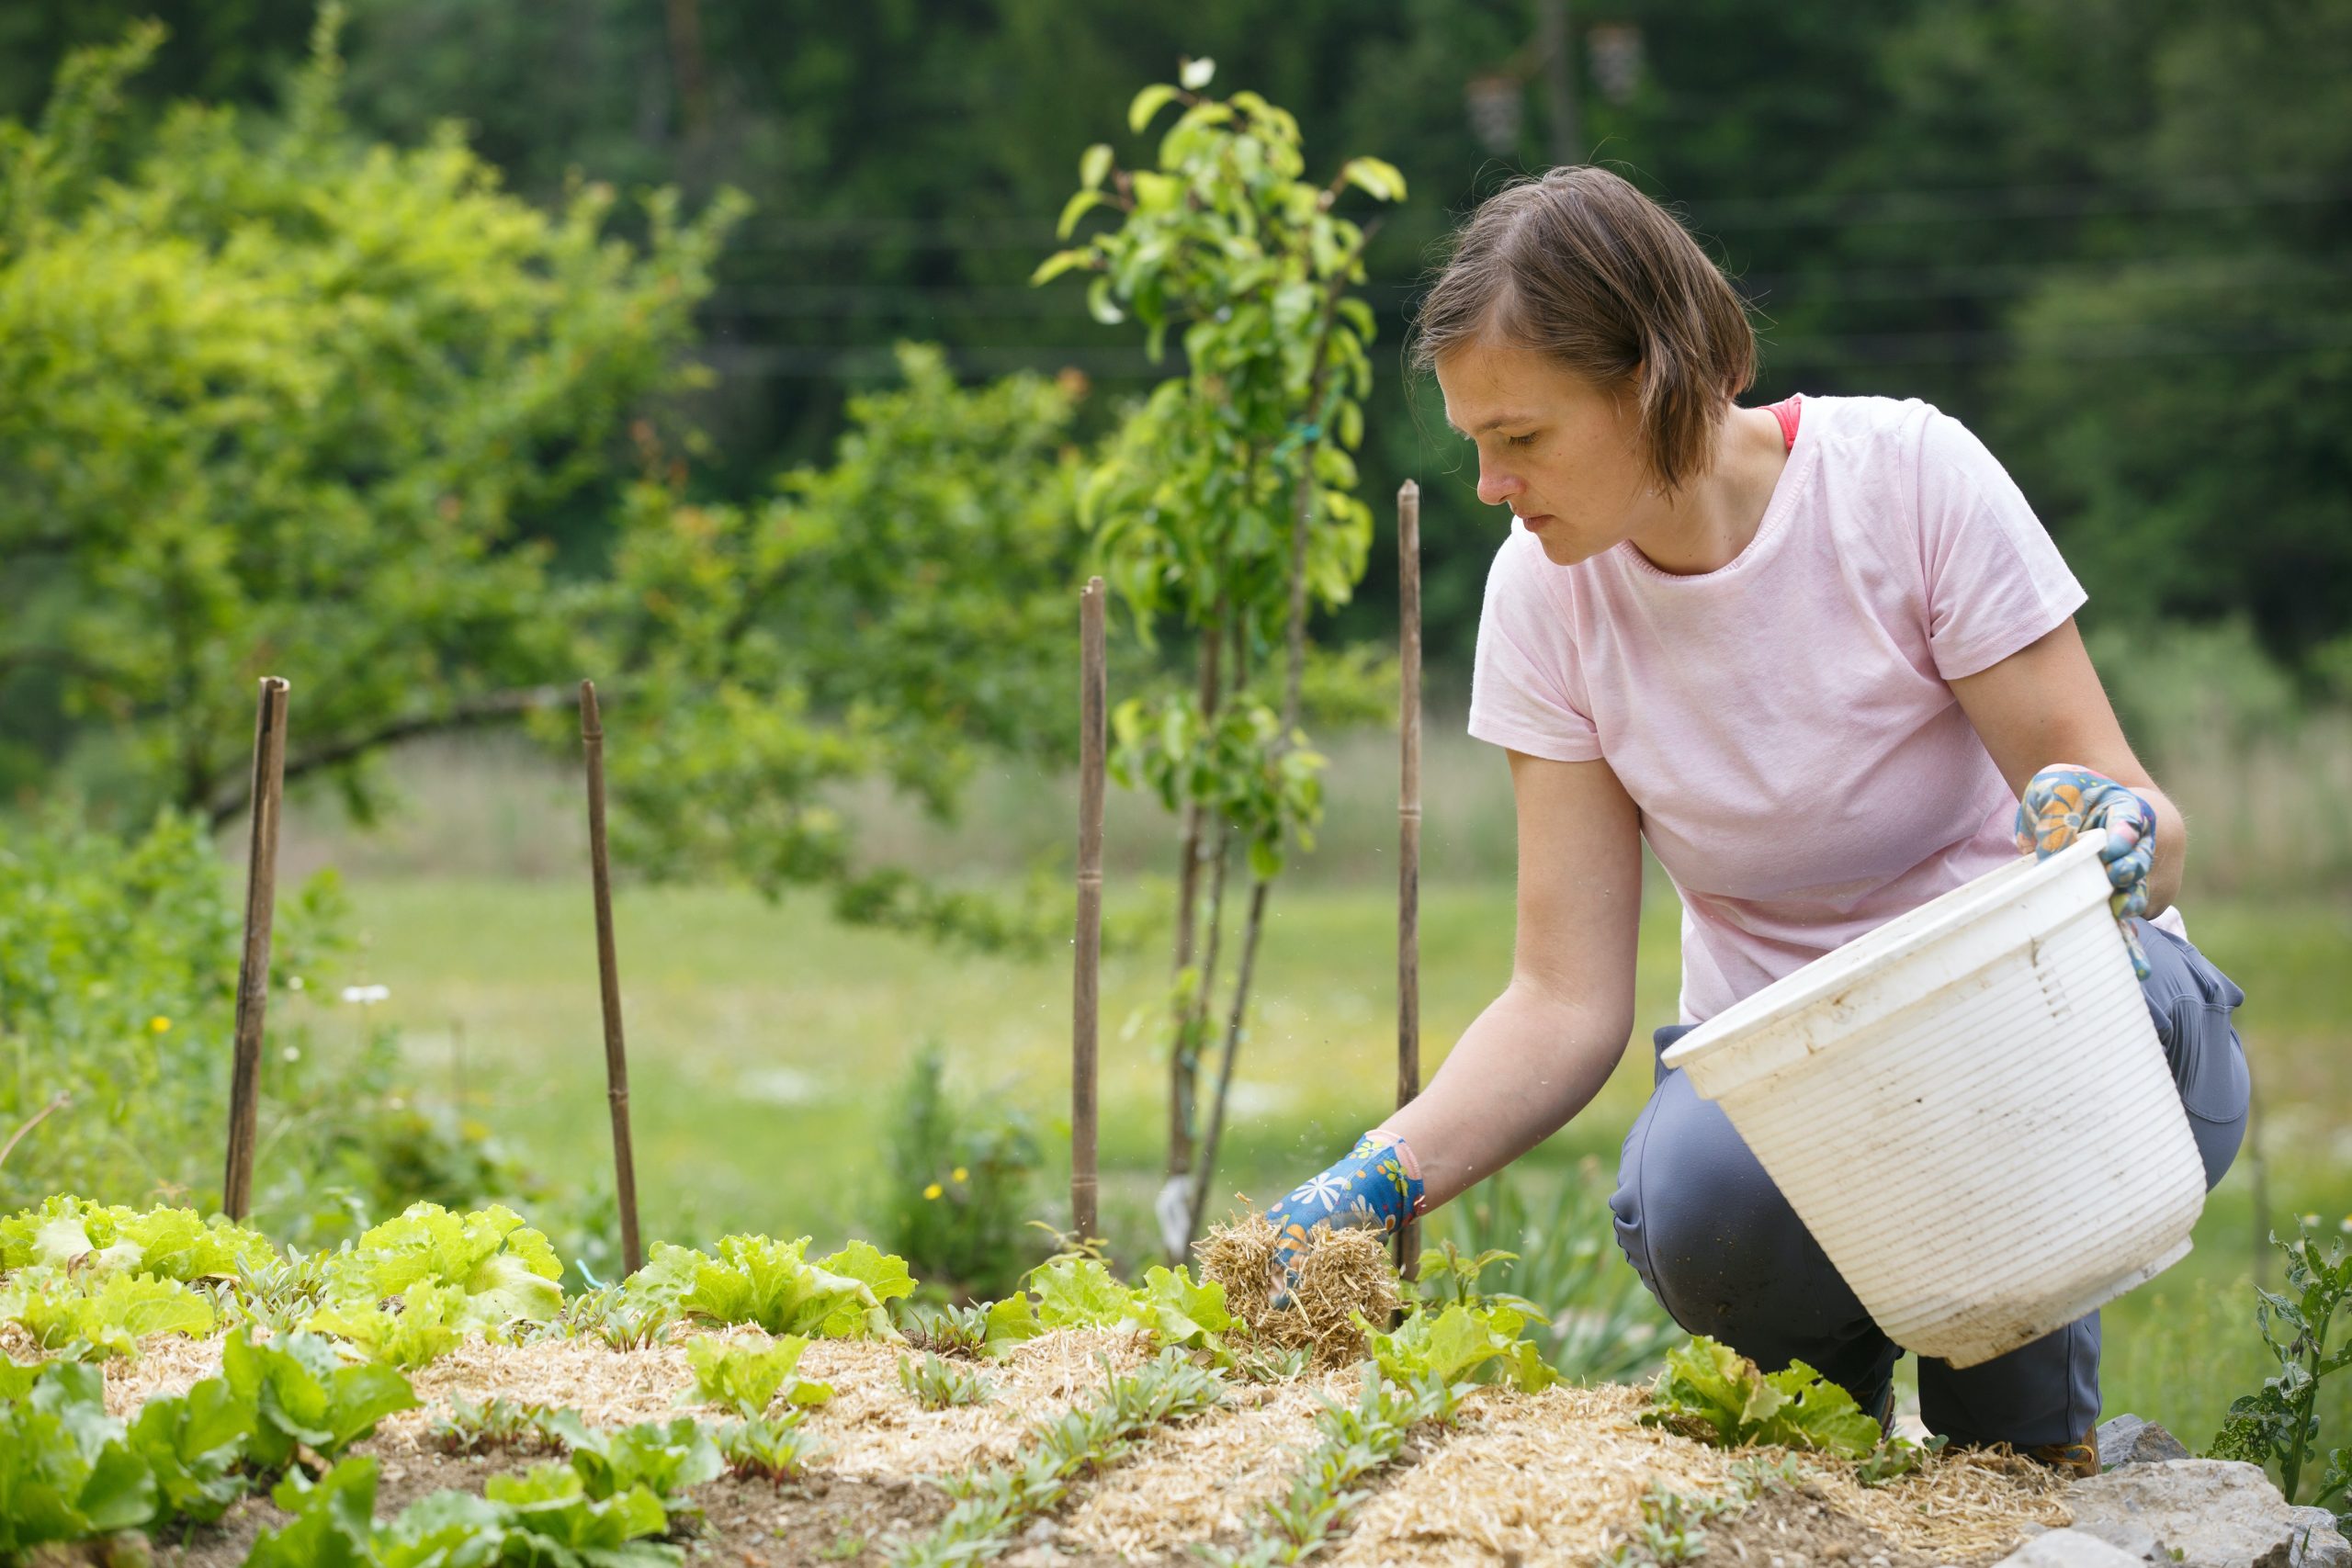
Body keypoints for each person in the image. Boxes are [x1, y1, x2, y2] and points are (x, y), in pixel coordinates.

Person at [1261, 166, 2250, 1475]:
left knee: (2001, 1456)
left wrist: (2112, 837)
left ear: (1651, 382)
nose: (1490, 484)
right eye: (1474, 445)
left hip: (2048, 1043)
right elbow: (1563, 1006)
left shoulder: (1905, 483)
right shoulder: (1544, 600)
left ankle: (2020, 1446)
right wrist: (1365, 1185)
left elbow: (2148, 829)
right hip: (1795, 1092)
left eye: (1523, 438)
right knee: (1699, 1211)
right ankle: (1834, 1441)